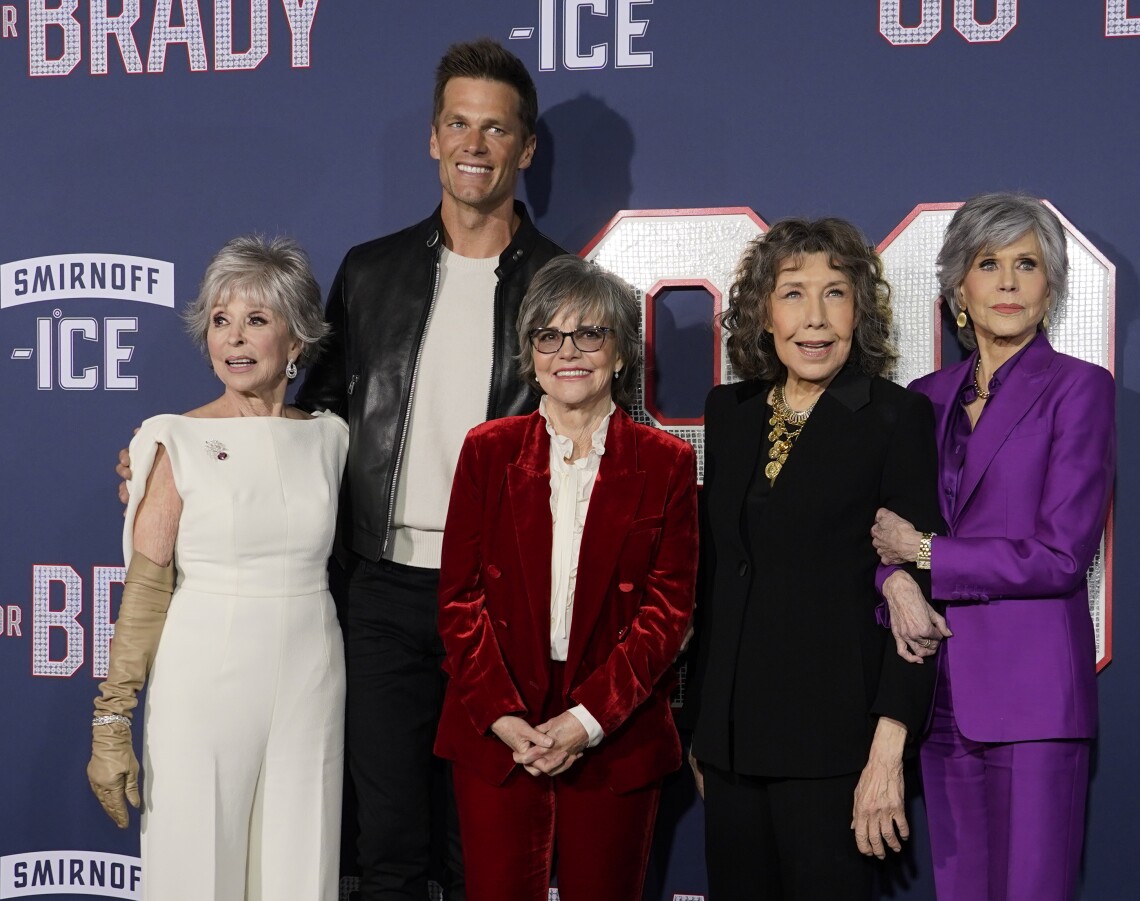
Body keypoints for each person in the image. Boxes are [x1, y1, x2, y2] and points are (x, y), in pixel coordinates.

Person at [113, 37, 567, 898]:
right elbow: (288, 412)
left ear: (525, 149)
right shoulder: (372, 271)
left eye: (496, 130)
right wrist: (165, 453)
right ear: (433, 138)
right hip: (382, 593)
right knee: (386, 846)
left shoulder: (560, 283)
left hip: (499, 593)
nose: (475, 145)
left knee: (491, 848)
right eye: (459, 125)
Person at [685, 218, 945, 901]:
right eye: (793, 293)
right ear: (763, 312)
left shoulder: (894, 416)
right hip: (732, 747)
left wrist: (887, 753)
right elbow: (718, 577)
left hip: (836, 749)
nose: (816, 317)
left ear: (859, 310)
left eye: (835, 293)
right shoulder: (731, 412)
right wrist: (705, 727)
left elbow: (919, 592)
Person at [870, 192, 1116, 901]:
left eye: (1027, 264)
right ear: (958, 288)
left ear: (1052, 286)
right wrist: (894, 578)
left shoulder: (1079, 390)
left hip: (1035, 699)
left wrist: (926, 552)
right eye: (988, 263)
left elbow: (1063, 554)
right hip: (940, 690)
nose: (1008, 282)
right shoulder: (923, 396)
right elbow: (885, 537)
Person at [89, 236, 347, 901]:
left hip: (312, 682)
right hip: (204, 682)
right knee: (196, 872)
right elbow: (145, 596)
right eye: (220, 320)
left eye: (256, 319)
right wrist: (112, 721)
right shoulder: (174, 440)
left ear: (296, 340)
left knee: (301, 871)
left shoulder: (331, 437)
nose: (234, 338)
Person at [432, 255, 698, 901]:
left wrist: (587, 719)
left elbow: (669, 613)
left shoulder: (666, 462)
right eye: (548, 335)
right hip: (500, 720)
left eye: (589, 334)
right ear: (530, 353)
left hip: (615, 724)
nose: (568, 351)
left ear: (620, 352)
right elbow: (460, 598)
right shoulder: (488, 450)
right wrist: (499, 712)